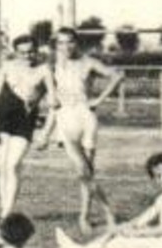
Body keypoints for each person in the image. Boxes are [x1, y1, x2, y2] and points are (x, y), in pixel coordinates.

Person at [38, 27, 123, 231]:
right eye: (61, 42)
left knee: (88, 172)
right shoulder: (50, 66)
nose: (66, 46)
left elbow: (119, 75)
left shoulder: (88, 62)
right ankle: (108, 212)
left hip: (86, 117)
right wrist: (45, 133)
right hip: (65, 118)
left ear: (76, 43)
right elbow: (52, 102)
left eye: (70, 42)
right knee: (83, 172)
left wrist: (100, 99)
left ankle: (84, 216)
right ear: (55, 45)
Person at [0, 35, 56, 220]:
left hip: (24, 120)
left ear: (36, 50)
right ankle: (4, 208)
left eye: (31, 51)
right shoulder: (7, 67)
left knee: (13, 165)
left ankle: (6, 214)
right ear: (15, 52)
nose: (27, 56)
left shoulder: (44, 70)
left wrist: (46, 133)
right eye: (22, 52)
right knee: (3, 166)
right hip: (3, 118)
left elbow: (53, 103)